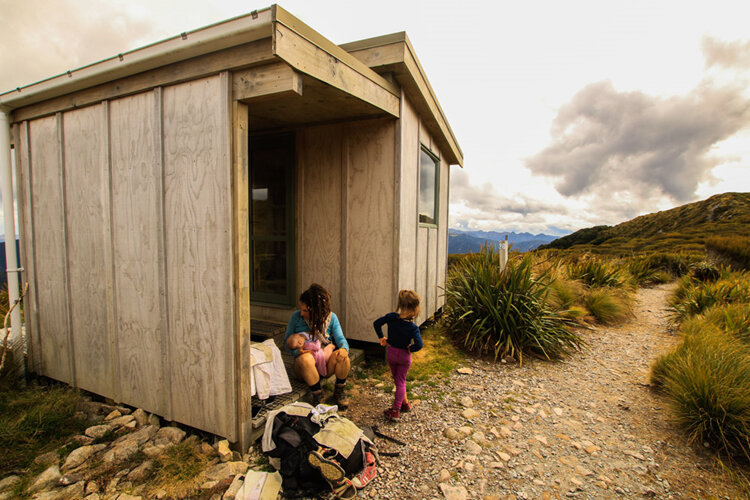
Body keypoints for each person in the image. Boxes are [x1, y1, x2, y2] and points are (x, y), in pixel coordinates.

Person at [285, 283, 351, 408]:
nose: (302, 313)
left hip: (325, 363)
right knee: (306, 359)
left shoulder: (331, 318)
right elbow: (286, 342)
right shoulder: (296, 317)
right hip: (304, 367)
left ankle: (339, 390)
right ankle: (317, 394)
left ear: (315, 311)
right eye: (301, 309)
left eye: (305, 310)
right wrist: (297, 352)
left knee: (343, 357)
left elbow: (341, 339)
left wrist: (343, 349)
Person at [372, 289, 423, 422]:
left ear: (400, 305)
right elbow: (419, 344)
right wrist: (410, 348)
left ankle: (405, 404)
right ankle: (396, 411)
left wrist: (381, 337)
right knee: (400, 381)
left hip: (392, 354)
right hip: (404, 356)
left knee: (398, 380)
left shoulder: (391, 317)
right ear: (414, 308)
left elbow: (376, 323)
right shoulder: (413, 328)